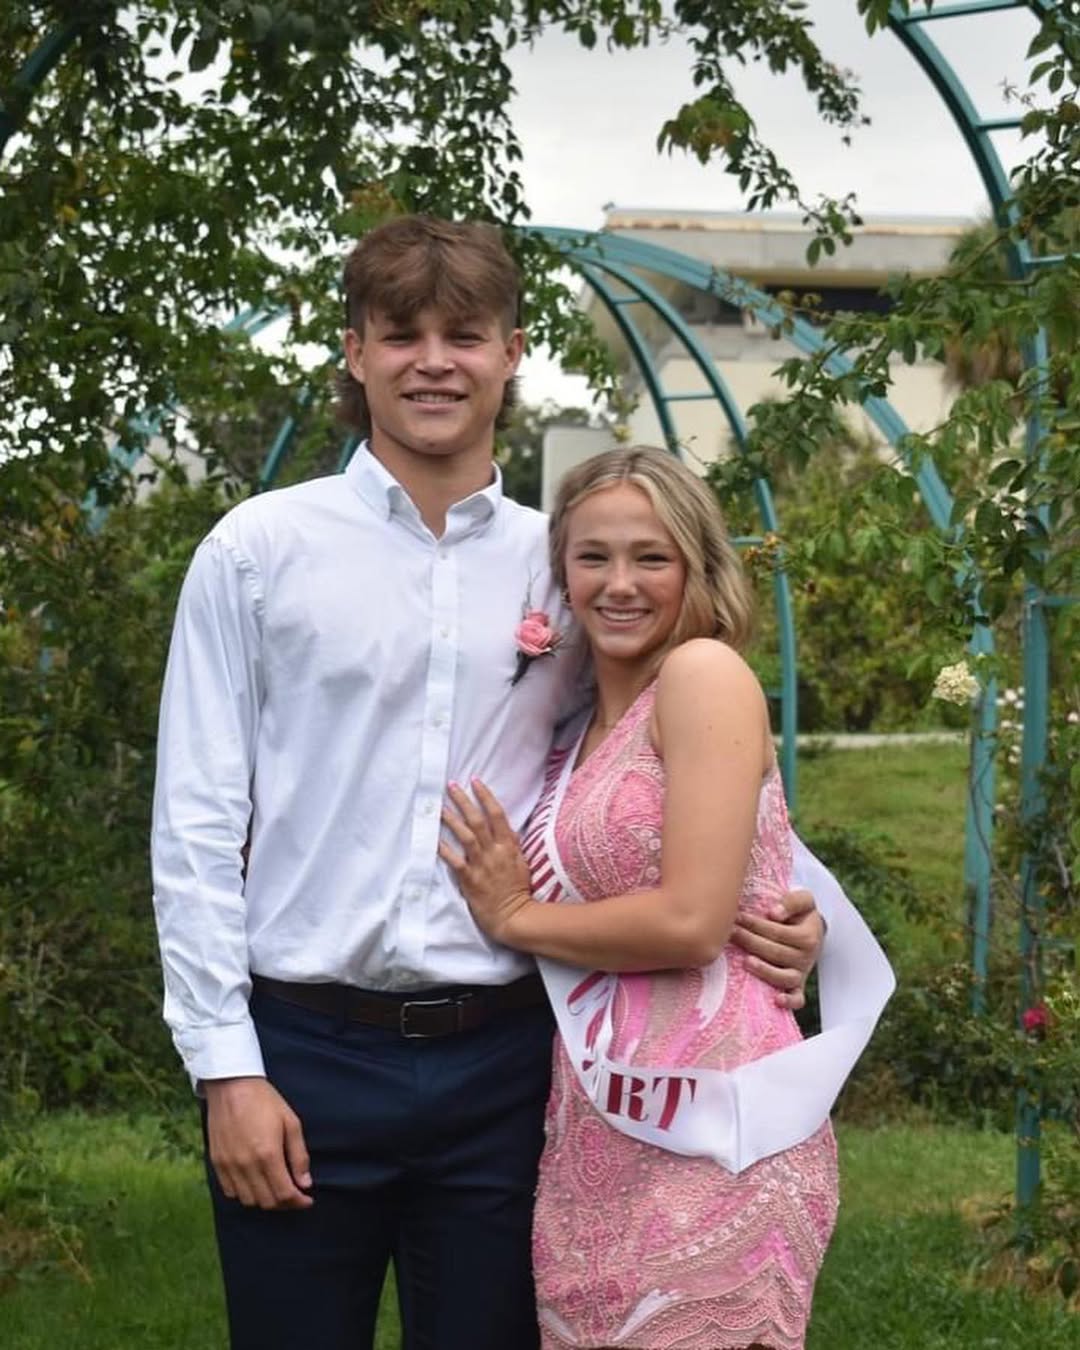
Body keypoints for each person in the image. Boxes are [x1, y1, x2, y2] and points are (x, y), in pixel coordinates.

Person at [151, 216, 828, 1350]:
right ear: (354, 351)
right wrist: (226, 1070)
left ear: (511, 353)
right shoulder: (257, 552)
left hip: (510, 1064)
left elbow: (661, 757)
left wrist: (788, 909)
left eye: (464, 336)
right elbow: (194, 826)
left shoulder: (568, 562)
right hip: (302, 1053)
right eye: (401, 334)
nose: (434, 362)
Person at [440, 446, 893, 1350]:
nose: (620, 584)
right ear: (561, 573)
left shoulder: (702, 675)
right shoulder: (575, 726)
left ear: (697, 567)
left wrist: (516, 917)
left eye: (651, 557)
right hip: (597, 1129)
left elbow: (692, 923)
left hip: (719, 1125)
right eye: (593, 556)